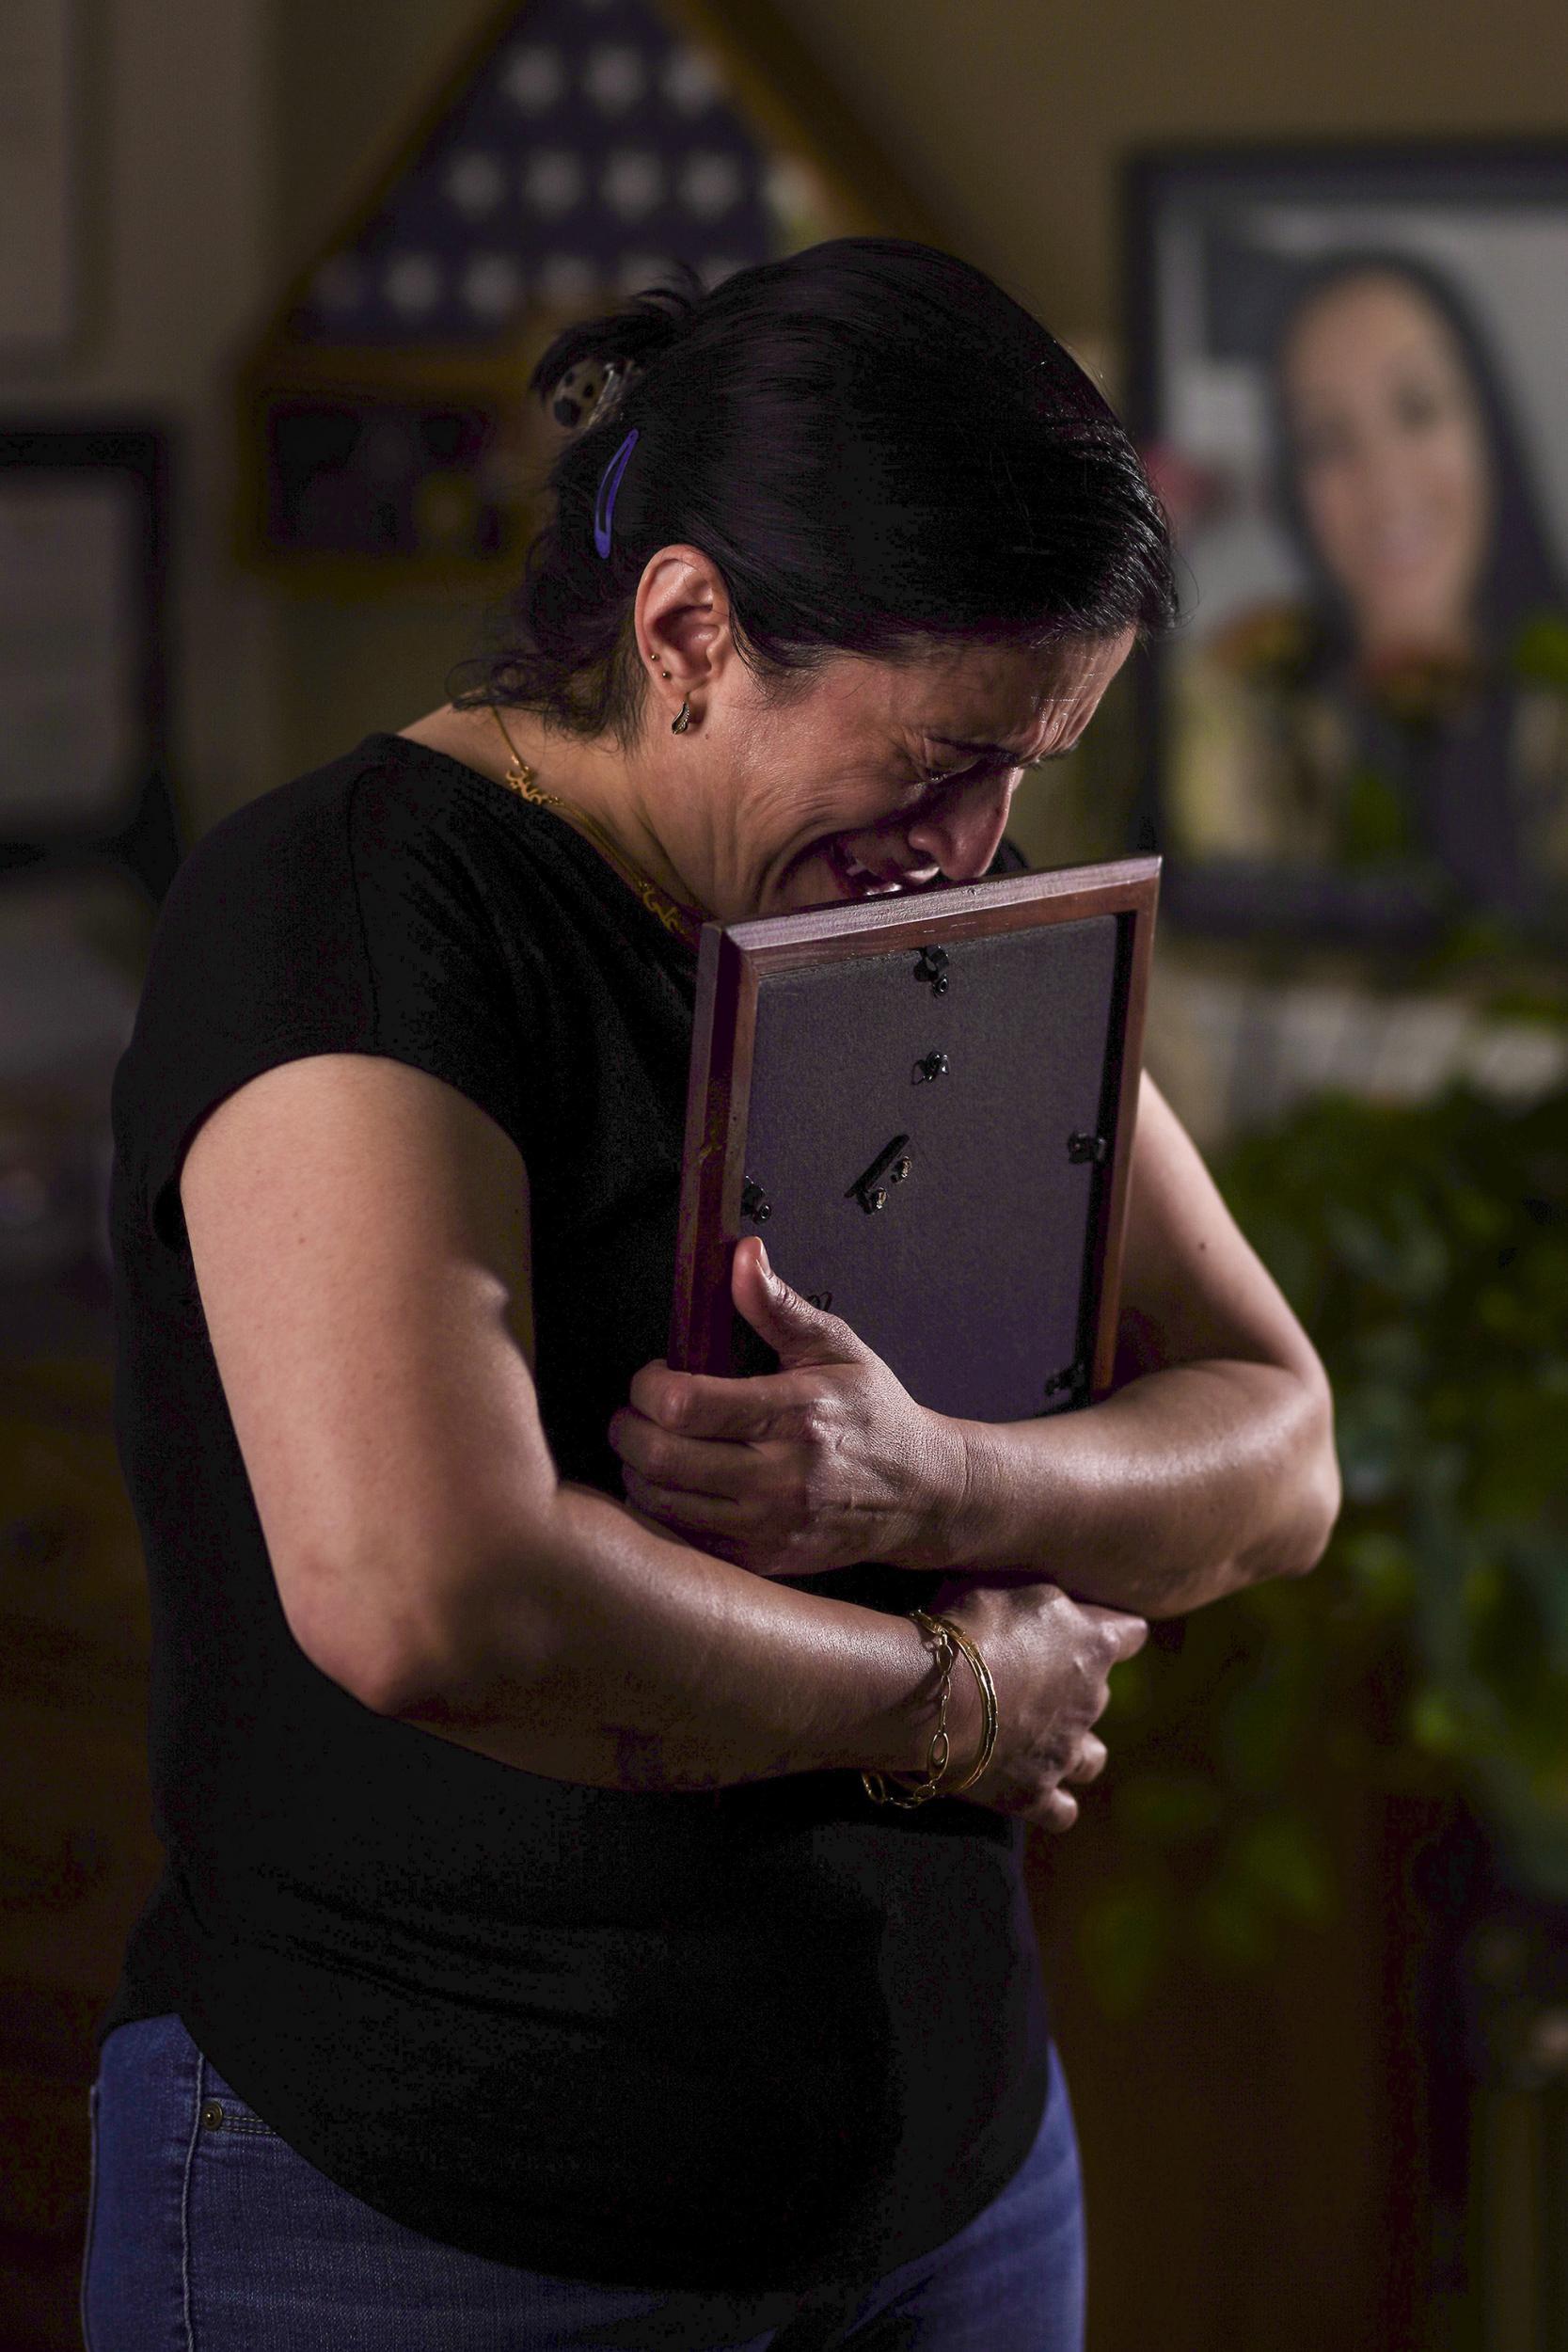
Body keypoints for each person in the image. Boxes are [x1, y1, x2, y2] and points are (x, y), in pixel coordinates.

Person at [83, 240, 1339, 2351]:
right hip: (423, 2213)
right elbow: (431, 1590)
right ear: (683, 630)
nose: (973, 843)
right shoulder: (347, 906)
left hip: (946, 2187)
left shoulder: (927, 902)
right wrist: (958, 1702)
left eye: (1030, 764)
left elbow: (1276, 1447)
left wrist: (926, 1476)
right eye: (932, 758)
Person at [1166, 249, 1568, 939]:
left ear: (1487, 428)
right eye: (1325, 440)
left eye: (1416, 410)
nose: (1383, 485)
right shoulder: (1241, 716)